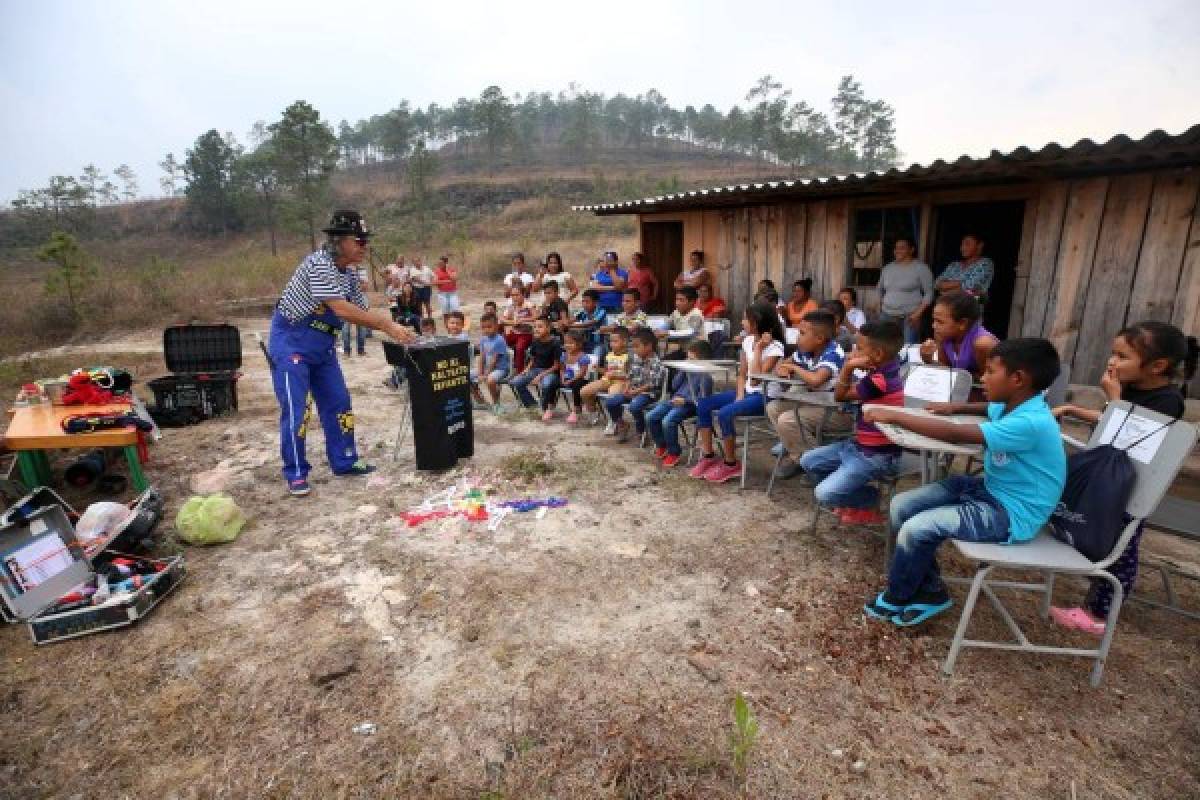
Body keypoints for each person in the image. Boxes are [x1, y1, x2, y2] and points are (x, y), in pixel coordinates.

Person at [862, 338, 1065, 627]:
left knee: (918, 528)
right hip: (989, 490)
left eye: (991, 371)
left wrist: (895, 415)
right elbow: (988, 410)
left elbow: (954, 435)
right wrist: (956, 407)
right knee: (901, 506)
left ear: (1018, 379)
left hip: (1012, 513)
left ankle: (899, 595)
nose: (983, 377)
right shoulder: (1010, 404)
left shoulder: (1032, 422)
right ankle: (930, 590)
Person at [1050, 321, 1198, 635]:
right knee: (1100, 536)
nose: (1112, 362)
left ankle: (1098, 615)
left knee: (1122, 549)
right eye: (1113, 353)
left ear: (1157, 366)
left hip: (1131, 487)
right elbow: (1113, 420)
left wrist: (1113, 399)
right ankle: (1093, 594)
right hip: (1111, 478)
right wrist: (1074, 409)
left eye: (1123, 356)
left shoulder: (1169, 401)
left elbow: (1125, 430)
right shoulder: (1134, 388)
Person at [269, 210, 417, 497]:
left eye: (365, 240)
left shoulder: (347, 273)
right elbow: (342, 309)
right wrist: (385, 325)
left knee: (339, 403)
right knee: (298, 409)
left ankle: (345, 460)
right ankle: (296, 472)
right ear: (339, 241)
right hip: (292, 341)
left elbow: (360, 310)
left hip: (323, 344)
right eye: (359, 240)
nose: (364, 245)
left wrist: (396, 325)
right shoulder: (318, 264)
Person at [797, 320, 906, 524]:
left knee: (823, 494)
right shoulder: (882, 371)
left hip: (877, 457)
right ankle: (857, 500)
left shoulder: (879, 380)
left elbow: (840, 395)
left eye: (859, 348)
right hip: (858, 447)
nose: (853, 352)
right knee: (807, 461)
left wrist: (847, 368)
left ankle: (869, 499)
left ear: (878, 355)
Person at [690, 303, 786, 483]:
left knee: (725, 413)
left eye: (745, 319)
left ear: (756, 322)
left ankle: (730, 463)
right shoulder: (747, 341)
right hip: (747, 393)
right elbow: (742, 374)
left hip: (765, 397)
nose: (742, 322)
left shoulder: (775, 347)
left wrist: (758, 349)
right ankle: (709, 456)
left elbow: (756, 379)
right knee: (703, 404)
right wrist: (740, 395)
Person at [766, 311, 847, 479]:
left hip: (837, 410)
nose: (798, 338)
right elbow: (787, 362)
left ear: (819, 338)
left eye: (802, 333)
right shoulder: (807, 350)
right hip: (815, 403)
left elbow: (817, 380)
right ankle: (802, 457)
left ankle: (819, 463)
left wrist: (794, 369)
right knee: (773, 407)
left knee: (788, 419)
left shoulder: (833, 352)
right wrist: (784, 368)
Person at [647, 340, 714, 468]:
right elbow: (674, 386)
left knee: (667, 421)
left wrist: (685, 401)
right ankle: (662, 445)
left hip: (690, 406)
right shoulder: (686, 371)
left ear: (702, 361)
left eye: (691, 358)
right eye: (687, 357)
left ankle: (674, 452)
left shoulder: (705, 378)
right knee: (651, 416)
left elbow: (703, 401)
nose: (688, 360)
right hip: (675, 400)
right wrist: (683, 371)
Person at [918, 291, 999, 382]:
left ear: (962, 323)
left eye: (940, 321)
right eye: (934, 320)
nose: (934, 326)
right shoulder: (942, 335)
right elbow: (946, 370)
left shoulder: (983, 344)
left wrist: (959, 375)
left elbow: (989, 382)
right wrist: (928, 360)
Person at [605, 327, 666, 441]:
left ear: (648, 346)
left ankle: (641, 430)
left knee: (635, 406)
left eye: (637, 346)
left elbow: (651, 384)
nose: (634, 350)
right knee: (611, 402)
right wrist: (626, 388)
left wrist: (635, 392)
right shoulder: (636, 359)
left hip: (647, 394)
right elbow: (630, 376)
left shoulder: (657, 363)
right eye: (633, 346)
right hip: (633, 391)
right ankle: (622, 424)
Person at [877, 237, 933, 345]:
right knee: (886, 345)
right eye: (896, 248)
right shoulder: (888, 268)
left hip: (910, 316)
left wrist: (918, 313)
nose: (897, 250)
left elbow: (929, 293)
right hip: (887, 314)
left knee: (908, 346)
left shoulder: (921, 268)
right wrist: (879, 305)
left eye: (902, 248)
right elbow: (879, 288)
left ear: (911, 250)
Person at [510, 318, 563, 417]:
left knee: (546, 384)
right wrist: (526, 369)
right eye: (534, 327)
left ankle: (543, 408)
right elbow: (533, 358)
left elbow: (557, 366)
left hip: (551, 372)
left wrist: (540, 376)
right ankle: (532, 406)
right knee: (516, 382)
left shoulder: (555, 343)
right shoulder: (535, 341)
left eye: (540, 327)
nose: (536, 329)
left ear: (548, 328)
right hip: (535, 370)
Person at [581, 327, 631, 427]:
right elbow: (607, 371)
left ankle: (615, 420)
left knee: (612, 396)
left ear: (625, 342)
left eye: (615, 341)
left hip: (620, 382)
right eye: (610, 341)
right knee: (584, 391)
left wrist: (616, 375)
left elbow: (630, 375)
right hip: (606, 380)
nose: (611, 344)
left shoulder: (629, 356)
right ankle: (593, 411)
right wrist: (597, 368)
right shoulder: (609, 355)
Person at [936, 233, 994, 300]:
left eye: (967, 244)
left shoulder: (985, 263)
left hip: (968, 309)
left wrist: (945, 288)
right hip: (946, 307)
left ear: (980, 245)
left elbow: (970, 289)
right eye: (962, 244)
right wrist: (960, 283)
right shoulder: (954, 265)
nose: (962, 248)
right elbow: (937, 283)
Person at [475, 312, 511, 412]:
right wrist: (479, 373)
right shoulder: (483, 339)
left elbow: (494, 361)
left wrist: (485, 375)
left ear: (496, 326)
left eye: (489, 327)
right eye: (483, 327)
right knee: (467, 375)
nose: (486, 330)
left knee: (490, 380)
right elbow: (482, 357)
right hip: (488, 368)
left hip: (500, 369)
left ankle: (496, 404)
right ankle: (479, 400)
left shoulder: (499, 340)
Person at [659, 286, 705, 359]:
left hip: (697, 353)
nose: (677, 303)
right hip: (684, 350)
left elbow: (690, 332)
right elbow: (667, 324)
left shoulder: (696, 315)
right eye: (677, 299)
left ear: (692, 302)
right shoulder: (676, 313)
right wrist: (658, 330)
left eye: (681, 300)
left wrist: (668, 333)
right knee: (664, 362)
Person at [559, 332, 594, 425]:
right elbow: (562, 369)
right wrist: (562, 378)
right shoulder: (564, 355)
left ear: (578, 344)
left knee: (577, 385)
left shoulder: (583, 357)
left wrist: (570, 380)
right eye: (566, 343)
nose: (567, 345)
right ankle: (549, 407)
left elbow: (582, 373)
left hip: (582, 380)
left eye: (571, 343)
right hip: (568, 378)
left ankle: (576, 409)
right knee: (553, 382)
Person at [501, 285, 535, 372]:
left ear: (523, 294)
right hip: (514, 332)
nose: (514, 297)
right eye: (512, 295)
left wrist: (523, 319)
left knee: (519, 348)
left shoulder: (529, 305)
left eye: (517, 295)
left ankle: (519, 371)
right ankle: (503, 366)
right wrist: (513, 322)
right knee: (500, 342)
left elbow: (536, 316)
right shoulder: (511, 306)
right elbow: (502, 318)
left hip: (526, 333)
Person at [340, 263, 370, 356]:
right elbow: (341, 287)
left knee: (362, 328)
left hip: (360, 301)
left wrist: (354, 283)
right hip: (346, 302)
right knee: (345, 329)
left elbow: (365, 287)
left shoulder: (362, 270)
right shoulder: (341, 270)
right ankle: (346, 351)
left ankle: (361, 350)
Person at [570, 289, 608, 360]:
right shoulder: (583, 312)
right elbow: (572, 320)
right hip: (584, 344)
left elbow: (589, 324)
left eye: (587, 302)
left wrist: (569, 325)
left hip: (598, 344)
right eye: (583, 301)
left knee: (594, 361)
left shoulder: (602, 312)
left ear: (595, 303)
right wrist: (565, 323)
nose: (584, 304)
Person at [590, 250, 629, 315]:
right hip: (601, 305)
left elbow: (619, 286)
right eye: (605, 260)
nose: (607, 262)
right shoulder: (600, 273)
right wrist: (613, 288)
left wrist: (611, 270)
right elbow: (595, 288)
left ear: (616, 261)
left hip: (616, 305)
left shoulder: (622, 273)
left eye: (609, 260)